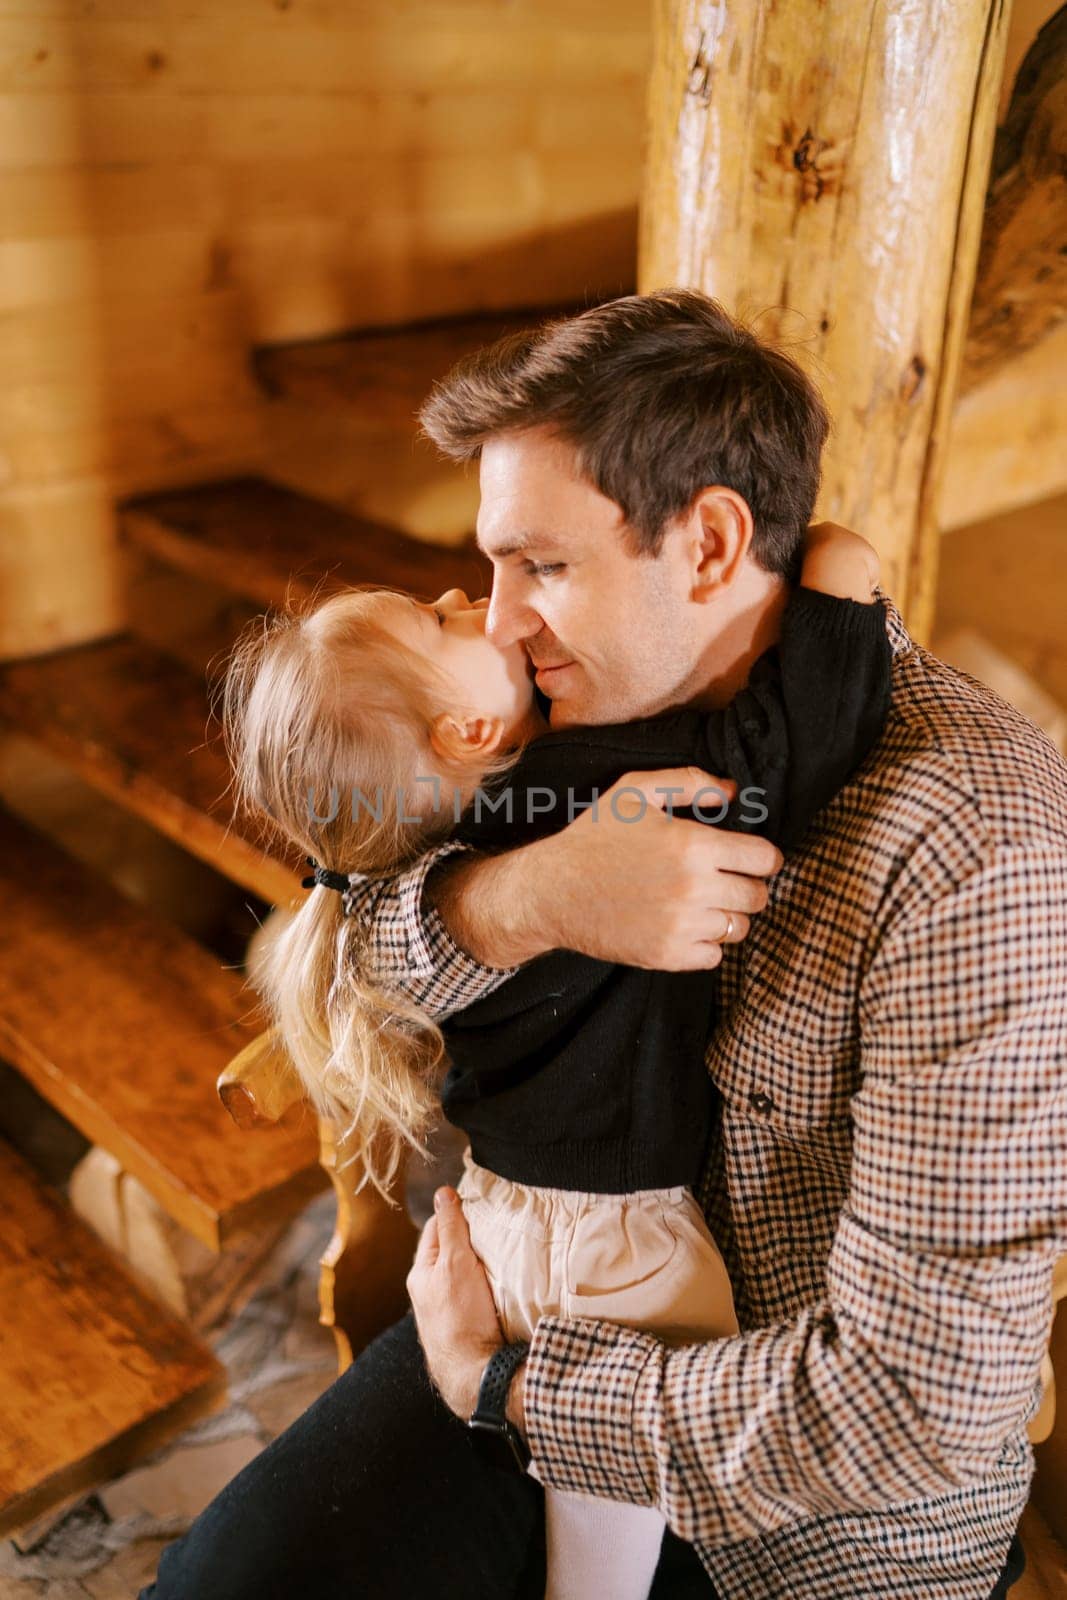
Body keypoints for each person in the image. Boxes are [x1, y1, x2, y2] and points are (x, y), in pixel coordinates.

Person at [141, 290, 1062, 1599]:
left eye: (542, 564)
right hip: (541, 1279)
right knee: (226, 1587)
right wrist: (530, 900)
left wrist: (516, 1391)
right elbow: (343, 924)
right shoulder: (549, 716)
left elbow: (913, 1410)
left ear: (706, 545)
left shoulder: (974, 845)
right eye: (492, 564)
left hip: (800, 1503)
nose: (500, 616)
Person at [220, 493, 890, 1595]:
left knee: (563, 1510)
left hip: (507, 1221)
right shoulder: (572, 793)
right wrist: (840, 591)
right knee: (607, 1531)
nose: (464, 602)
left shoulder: (424, 843)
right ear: (467, 733)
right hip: (613, 1246)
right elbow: (776, 759)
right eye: (440, 623)